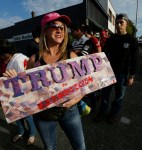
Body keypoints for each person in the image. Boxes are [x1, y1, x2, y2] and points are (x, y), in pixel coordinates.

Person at [3, 12, 86, 150]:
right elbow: (26, 90)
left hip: (70, 111)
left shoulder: (71, 55)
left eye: (62, 27)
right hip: (43, 116)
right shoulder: (34, 60)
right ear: (45, 31)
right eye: (54, 26)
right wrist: (13, 82)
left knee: (80, 147)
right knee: (50, 148)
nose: (60, 30)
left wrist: (75, 101)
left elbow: (85, 83)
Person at [94, 13, 139, 124]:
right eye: (117, 23)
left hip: (122, 74)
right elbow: (104, 55)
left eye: (121, 23)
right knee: (105, 95)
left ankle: (113, 115)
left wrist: (131, 75)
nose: (118, 25)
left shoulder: (132, 40)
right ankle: (102, 113)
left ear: (126, 24)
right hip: (108, 72)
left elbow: (135, 59)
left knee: (119, 97)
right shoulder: (111, 39)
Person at [0, 39, 36, 145]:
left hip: (21, 92)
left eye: (4, 55)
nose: (2, 58)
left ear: (10, 51)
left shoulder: (19, 59)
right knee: (15, 115)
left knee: (26, 115)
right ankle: (21, 132)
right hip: (8, 93)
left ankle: (32, 134)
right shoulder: (3, 61)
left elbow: (26, 77)